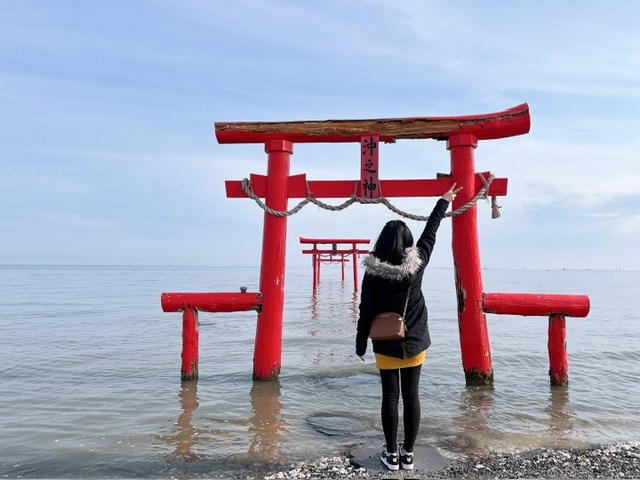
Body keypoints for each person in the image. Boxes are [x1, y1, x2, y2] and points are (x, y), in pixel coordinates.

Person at [355, 183, 461, 471]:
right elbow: (430, 232)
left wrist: (360, 344)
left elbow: (366, 311)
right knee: (412, 395)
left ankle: (391, 455)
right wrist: (443, 201)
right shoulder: (418, 263)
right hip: (413, 339)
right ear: (406, 243)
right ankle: (409, 454)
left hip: (385, 341)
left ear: (383, 242)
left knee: (390, 396)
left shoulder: (372, 274)